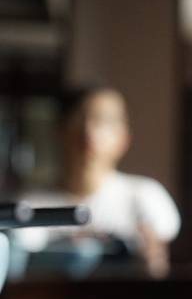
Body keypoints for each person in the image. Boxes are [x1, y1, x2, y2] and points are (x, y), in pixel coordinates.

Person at [15, 87, 180, 278]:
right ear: (60, 130)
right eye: (79, 118)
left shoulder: (146, 196)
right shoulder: (28, 207)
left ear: (124, 137)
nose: (89, 131)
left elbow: (157, 269)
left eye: (103, 121)